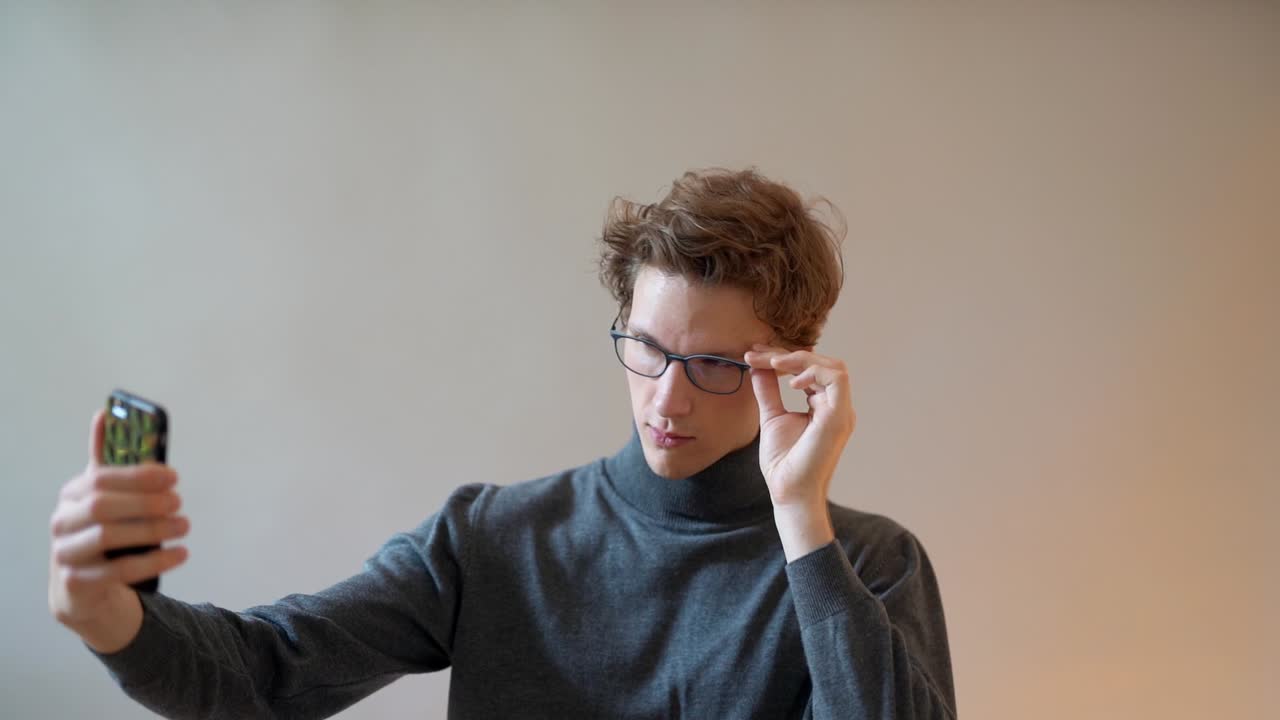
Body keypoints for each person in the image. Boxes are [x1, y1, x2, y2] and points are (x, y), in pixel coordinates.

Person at [48, 168, 956, 719]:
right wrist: (105, 613)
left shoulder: (867, 568)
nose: (665, 397)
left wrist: (799, 519)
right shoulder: (494, 539)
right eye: (645, 348)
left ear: (786, 367)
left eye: (714, 364)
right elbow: (265, 673)